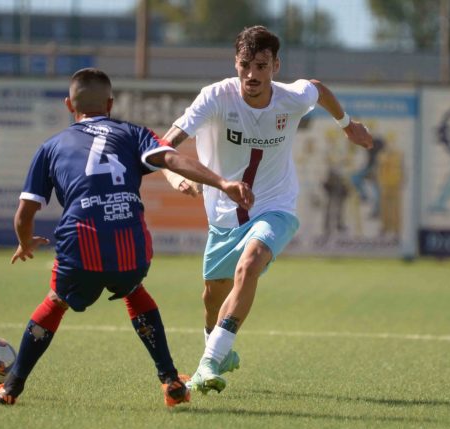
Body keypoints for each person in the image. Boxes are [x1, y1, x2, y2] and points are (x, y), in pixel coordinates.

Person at [0, 68, 254, 407]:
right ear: (110, 104)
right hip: (131, 243)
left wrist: (25, 242)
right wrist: (223, 183)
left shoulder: (51, 146)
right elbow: (171, 158)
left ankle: (11, 388)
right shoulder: (132, 133)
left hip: (80, 242)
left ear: (69, 105)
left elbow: (25, 213)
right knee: (133, 290)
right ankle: (171, 380)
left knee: (55, 302)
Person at [160, 25, 373, 394]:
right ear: (236, 64)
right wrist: (172, 174)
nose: (252, 75)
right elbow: (163, 146)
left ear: (276, 66)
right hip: (223, 215)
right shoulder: (215, 96)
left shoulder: (291, 98)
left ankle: (208, 363)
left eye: (261, 66)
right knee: (212, 296)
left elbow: (318, 89)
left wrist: (347, 125)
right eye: (245, 65)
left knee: (251, 263)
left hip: (276, 206)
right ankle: (220, 350)